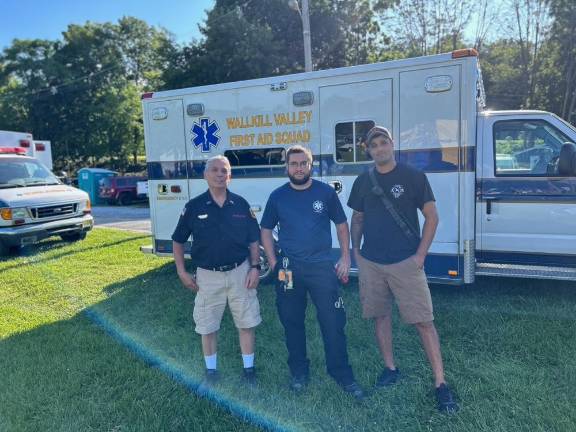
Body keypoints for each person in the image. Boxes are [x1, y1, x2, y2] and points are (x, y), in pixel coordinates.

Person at [347, 126, 459, 413]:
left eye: (384, 142)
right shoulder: (363, 180)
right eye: (374, 145)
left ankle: (440, 383)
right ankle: (390, 368)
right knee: (380, 317)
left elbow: (432, 217)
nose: (380, 148)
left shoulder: (413, 177)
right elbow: (357, 218)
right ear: (369, 150)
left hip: (406, 262)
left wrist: (420, 255)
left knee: (424, 321)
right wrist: (356, 253)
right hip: (372, 263)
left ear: (392, 145)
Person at [260, 145, 365, 400]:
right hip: (287, 269)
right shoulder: (277, 196)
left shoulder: (326, 193)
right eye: (293, 164)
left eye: (303, 163)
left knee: (333, 321)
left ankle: (340, 372)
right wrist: (273, 261)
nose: (298, 168)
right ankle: (299, 372)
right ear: (286, 167)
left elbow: (341, 226)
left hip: (321, 268)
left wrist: (344, 256)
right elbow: (265, 230)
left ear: (311, 165)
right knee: (292, 321)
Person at [172, 155, 261, 385]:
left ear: (230, 176)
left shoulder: (241, 204)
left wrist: (255, 267)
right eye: (215, 170)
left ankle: (249, 371)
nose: (220, 174)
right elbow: (178, 240)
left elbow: (253, 240)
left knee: (246, 322)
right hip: (207, 276)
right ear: (205, 175)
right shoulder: (193, 207)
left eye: (225, 171)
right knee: (207, 325)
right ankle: (211, 372)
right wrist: (182, 271)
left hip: (240, 272)